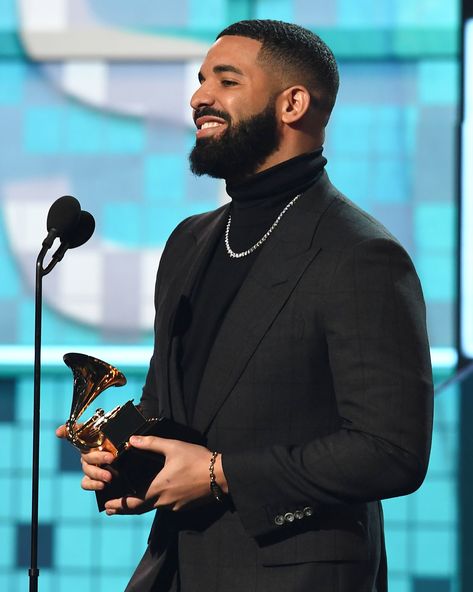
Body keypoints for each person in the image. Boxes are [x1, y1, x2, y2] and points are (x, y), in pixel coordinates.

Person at [58, 19, 433, 592]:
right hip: (173, 570)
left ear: (293, 103)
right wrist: (129, 462)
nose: (199, 97)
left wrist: (218, 475)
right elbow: (172, 409)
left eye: (226, 81)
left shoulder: (361, 255)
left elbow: (391, 451)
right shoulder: (189, 240)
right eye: (201, 79)